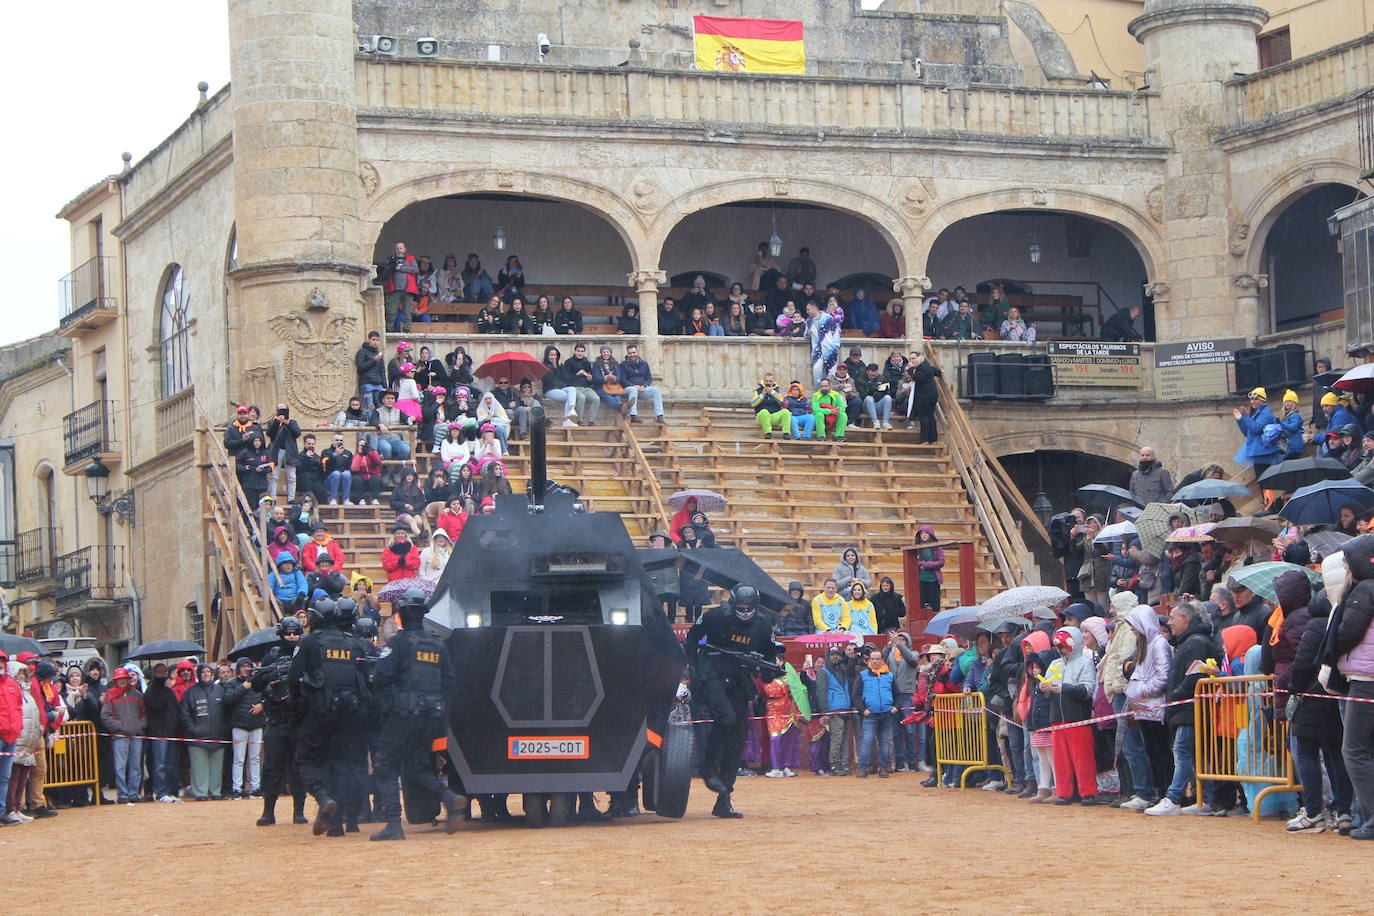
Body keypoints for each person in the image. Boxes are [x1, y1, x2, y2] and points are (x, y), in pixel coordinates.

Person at [369, 590, 466, 840]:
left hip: (404, 714)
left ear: (401, 613)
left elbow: (381, 676)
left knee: (386, 767)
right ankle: (449, 797)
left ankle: (392, 824)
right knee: (417, 768)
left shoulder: (398, 643)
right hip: (433, 716)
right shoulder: (437, 644)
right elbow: (450, 683)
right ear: (424, 614)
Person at [684, 585, 783, 818]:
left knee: (737, 737)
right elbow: (691, 640)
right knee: (725, 719)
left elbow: (770, 653)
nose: (745, 612)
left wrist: (769, 670)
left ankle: (724, 798)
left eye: (749, 608)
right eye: (741, 608)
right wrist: (696, 668)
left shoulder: (762, 624)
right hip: (713, 673)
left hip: (740, 678)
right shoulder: (714, 616)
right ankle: (708, 769)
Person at [290, 597, 370, 835]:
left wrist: (296, 707)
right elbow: (364, 678)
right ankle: (344, 822)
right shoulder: (353, 642)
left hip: (319, 712)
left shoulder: (310, 642)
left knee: (305, 761)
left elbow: (293, 677)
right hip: (350, 714)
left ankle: (323, 798)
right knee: (343, 766)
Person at [1144, 601, 1221, 815]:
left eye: (1172, 618)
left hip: (1190, 710)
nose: (1169, 623)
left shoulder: (1195, 642)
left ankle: (1174, 797)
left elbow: (1193, 679)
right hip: (1188, 709)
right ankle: (1205, 799)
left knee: (1182, 752)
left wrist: (1173, 697)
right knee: (1194, 756)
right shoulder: (1190, 641)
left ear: (1185, 619)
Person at [251, 617, 308, 826]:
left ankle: (299, 811)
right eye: (288, 633)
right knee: (272, 768)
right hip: (277, 719)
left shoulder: (306, 654)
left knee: (298, 768)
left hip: (299, 718)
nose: (292, 637)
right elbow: (256, 684)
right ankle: (268, 811)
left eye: (295, 633)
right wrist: (271, 677)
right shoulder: (272, 656)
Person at [179, 664, 229, 801]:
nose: (206, 674)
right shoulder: (190, 692)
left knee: (216, 768)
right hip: (197, 738)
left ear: (212, 674)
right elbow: (184, 714)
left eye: (208, 671)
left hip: (218, 735)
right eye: (203, 672)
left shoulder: (220, 690)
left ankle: (215, 791)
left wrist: (224, 729)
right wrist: (193, 729)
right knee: (199, 768)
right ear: (198, 675)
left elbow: (227, 711)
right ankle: (201, 792)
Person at [99, 667, 146, 804]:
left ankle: (134, 793)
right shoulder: (110, 695)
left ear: (128, 679)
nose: (122, 681)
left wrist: (139, 727)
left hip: (136, 735)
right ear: (115, 681)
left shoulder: (137, 695)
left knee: (136, 766)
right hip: (119, 736)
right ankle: (122, 794)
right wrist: (120, 727)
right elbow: (105, 716)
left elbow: (144, 714)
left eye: (124, 678)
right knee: (120, 766)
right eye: (119, 679)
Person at [223, 659, 265, 799]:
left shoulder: (258, 682)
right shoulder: (231, 683)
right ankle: (237, 788)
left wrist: (262, 705)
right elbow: (228, 700)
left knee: (255, 758)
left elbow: (268, 695)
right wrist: (243, 687)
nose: (246, 669)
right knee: (239, 759)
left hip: (256, 724)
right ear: (238, 669)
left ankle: (256, 787)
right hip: (239, 724)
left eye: (248, 666)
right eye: (243, 666)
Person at [853, 648, 897, 778]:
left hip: (886, 714)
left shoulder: (890, 676)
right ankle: (863, 768)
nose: (875, 661)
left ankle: (883, 768)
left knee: (884, 742)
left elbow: (897, 693)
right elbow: (856, 695)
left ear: (882, 660)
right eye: (873, 659)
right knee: (867, 741)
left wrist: (896, 707)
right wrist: (862, 710)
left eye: (878, 659)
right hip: (871, 714)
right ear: (869, 660)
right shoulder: (863, 675)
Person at [903, 350, 943, 443]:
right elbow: (935, 371)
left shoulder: (922, 367)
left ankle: (925, 439)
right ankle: (933, 439)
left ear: (919, 357)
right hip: (929, 396)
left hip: (925, 396)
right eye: (910, 359)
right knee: (930, 417)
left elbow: (918, 378)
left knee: (925, 418)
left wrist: (910, 369)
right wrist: (940, 372)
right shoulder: (925, 365)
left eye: (913, 358)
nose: (911, 360)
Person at [619, 344, 664, 425]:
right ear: (627, 354)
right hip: (628, 390)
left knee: (655, 390)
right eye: (630, 353)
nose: (632, 355)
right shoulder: (623, 365)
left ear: (637, 352)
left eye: (634, 352)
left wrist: (644, 385)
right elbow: (622, 380)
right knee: (633, 389)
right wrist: (633, 385)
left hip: (642, 389)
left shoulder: (644, 364)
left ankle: (660, 416)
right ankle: (633, 415)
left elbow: (649, 378)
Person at [383, 241, 419, 332]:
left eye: (401, 248)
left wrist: (401, 268)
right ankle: (389, 329)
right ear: (395, 250)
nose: (399, 250)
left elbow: (415, 269)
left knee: (408, 311)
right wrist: (389, 265)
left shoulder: (411, 259)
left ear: (405, 249)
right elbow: (385, 274)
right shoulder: (392, 259)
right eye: (397, 248)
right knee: (392, 311)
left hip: (408, 290)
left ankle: (407, 330)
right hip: (395, 290)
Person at [805, 300, 841, 386]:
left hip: (830, 349)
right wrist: (807, 333)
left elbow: (835, 332)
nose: (807, 312)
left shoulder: (828, 318)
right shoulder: (809, 321)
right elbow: (806, 334)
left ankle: (831, 393)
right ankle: (819, 393)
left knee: (832, 372)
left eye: (808, 309)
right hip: (817, 351)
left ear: (814, 308)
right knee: (816, 370)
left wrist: (836, 345)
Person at [564, 343, 600, 424]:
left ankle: (591, 420)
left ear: (584, 353)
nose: (580, 353)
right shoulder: (569, 362)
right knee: (581, 397)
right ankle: (580, 420)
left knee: (596, 398)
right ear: (575, 351)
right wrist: (577, 374)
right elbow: (566, 378)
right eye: (578, 351)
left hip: (586, 387)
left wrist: (589, 378)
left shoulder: (586, 363)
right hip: (574, 387)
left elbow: (591, 379)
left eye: (582, 351)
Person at [912, 526, 945, 613]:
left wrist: (926, 565)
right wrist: (921, 564)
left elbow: (941, 562)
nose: (924, 535)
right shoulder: (917, 547)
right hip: (920, 580)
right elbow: (914, 561)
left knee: (934, 605)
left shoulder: (937, 547)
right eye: (922, 533)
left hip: (933, 580)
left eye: (926, 533)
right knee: (921, 605)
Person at [751, 373, 791, 439]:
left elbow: (782, 403)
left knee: (786, 412)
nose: (768, 383)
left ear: (773, 382)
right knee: (764, 412)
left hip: (774, 417)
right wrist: (762, 394)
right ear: (764, 381)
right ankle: (768, 433)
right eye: (766, 381)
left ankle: (786, 433)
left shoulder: (777, 391)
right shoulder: (757, 391)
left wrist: (773, 393)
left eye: (770, 381)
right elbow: (753, 404)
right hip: (761, 417)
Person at [855, 363, 894, 429]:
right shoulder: (860, 379)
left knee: (888, 398)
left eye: (874, 375)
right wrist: (871, 391)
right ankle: (875, 421)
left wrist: (879, 392)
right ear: (867, 372)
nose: (872, 377)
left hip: (878, 404)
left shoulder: (881, 378)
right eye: (871, 375)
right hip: (866, 406)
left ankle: (886, 422)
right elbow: (862, 396)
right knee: (869, 398)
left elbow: (887, 392)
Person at [355, 331, 387, 408]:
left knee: (381, 407)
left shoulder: (379, 353)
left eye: (377, 340)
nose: (375, 342)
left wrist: (385, 385)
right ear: (369, 340)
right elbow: (360, 367)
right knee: (369, 407)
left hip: (378, 384)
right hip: (367, 383)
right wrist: (373, 360)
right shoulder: (363, 352)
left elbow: (382, 370)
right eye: (373, 339)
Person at [322, 434, 353, 506]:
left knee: (347, 474)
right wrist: (335, 454)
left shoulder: (348, 453)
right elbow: (325, 465)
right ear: (332, 441)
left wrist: (347, 471)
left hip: (343, 480)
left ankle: (346, 499)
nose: (338, 442)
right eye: (336, 440)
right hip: (329, 480)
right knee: (336, 474)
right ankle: (333, 499)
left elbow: (349, 467)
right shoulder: (326, 452)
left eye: (341, 440)